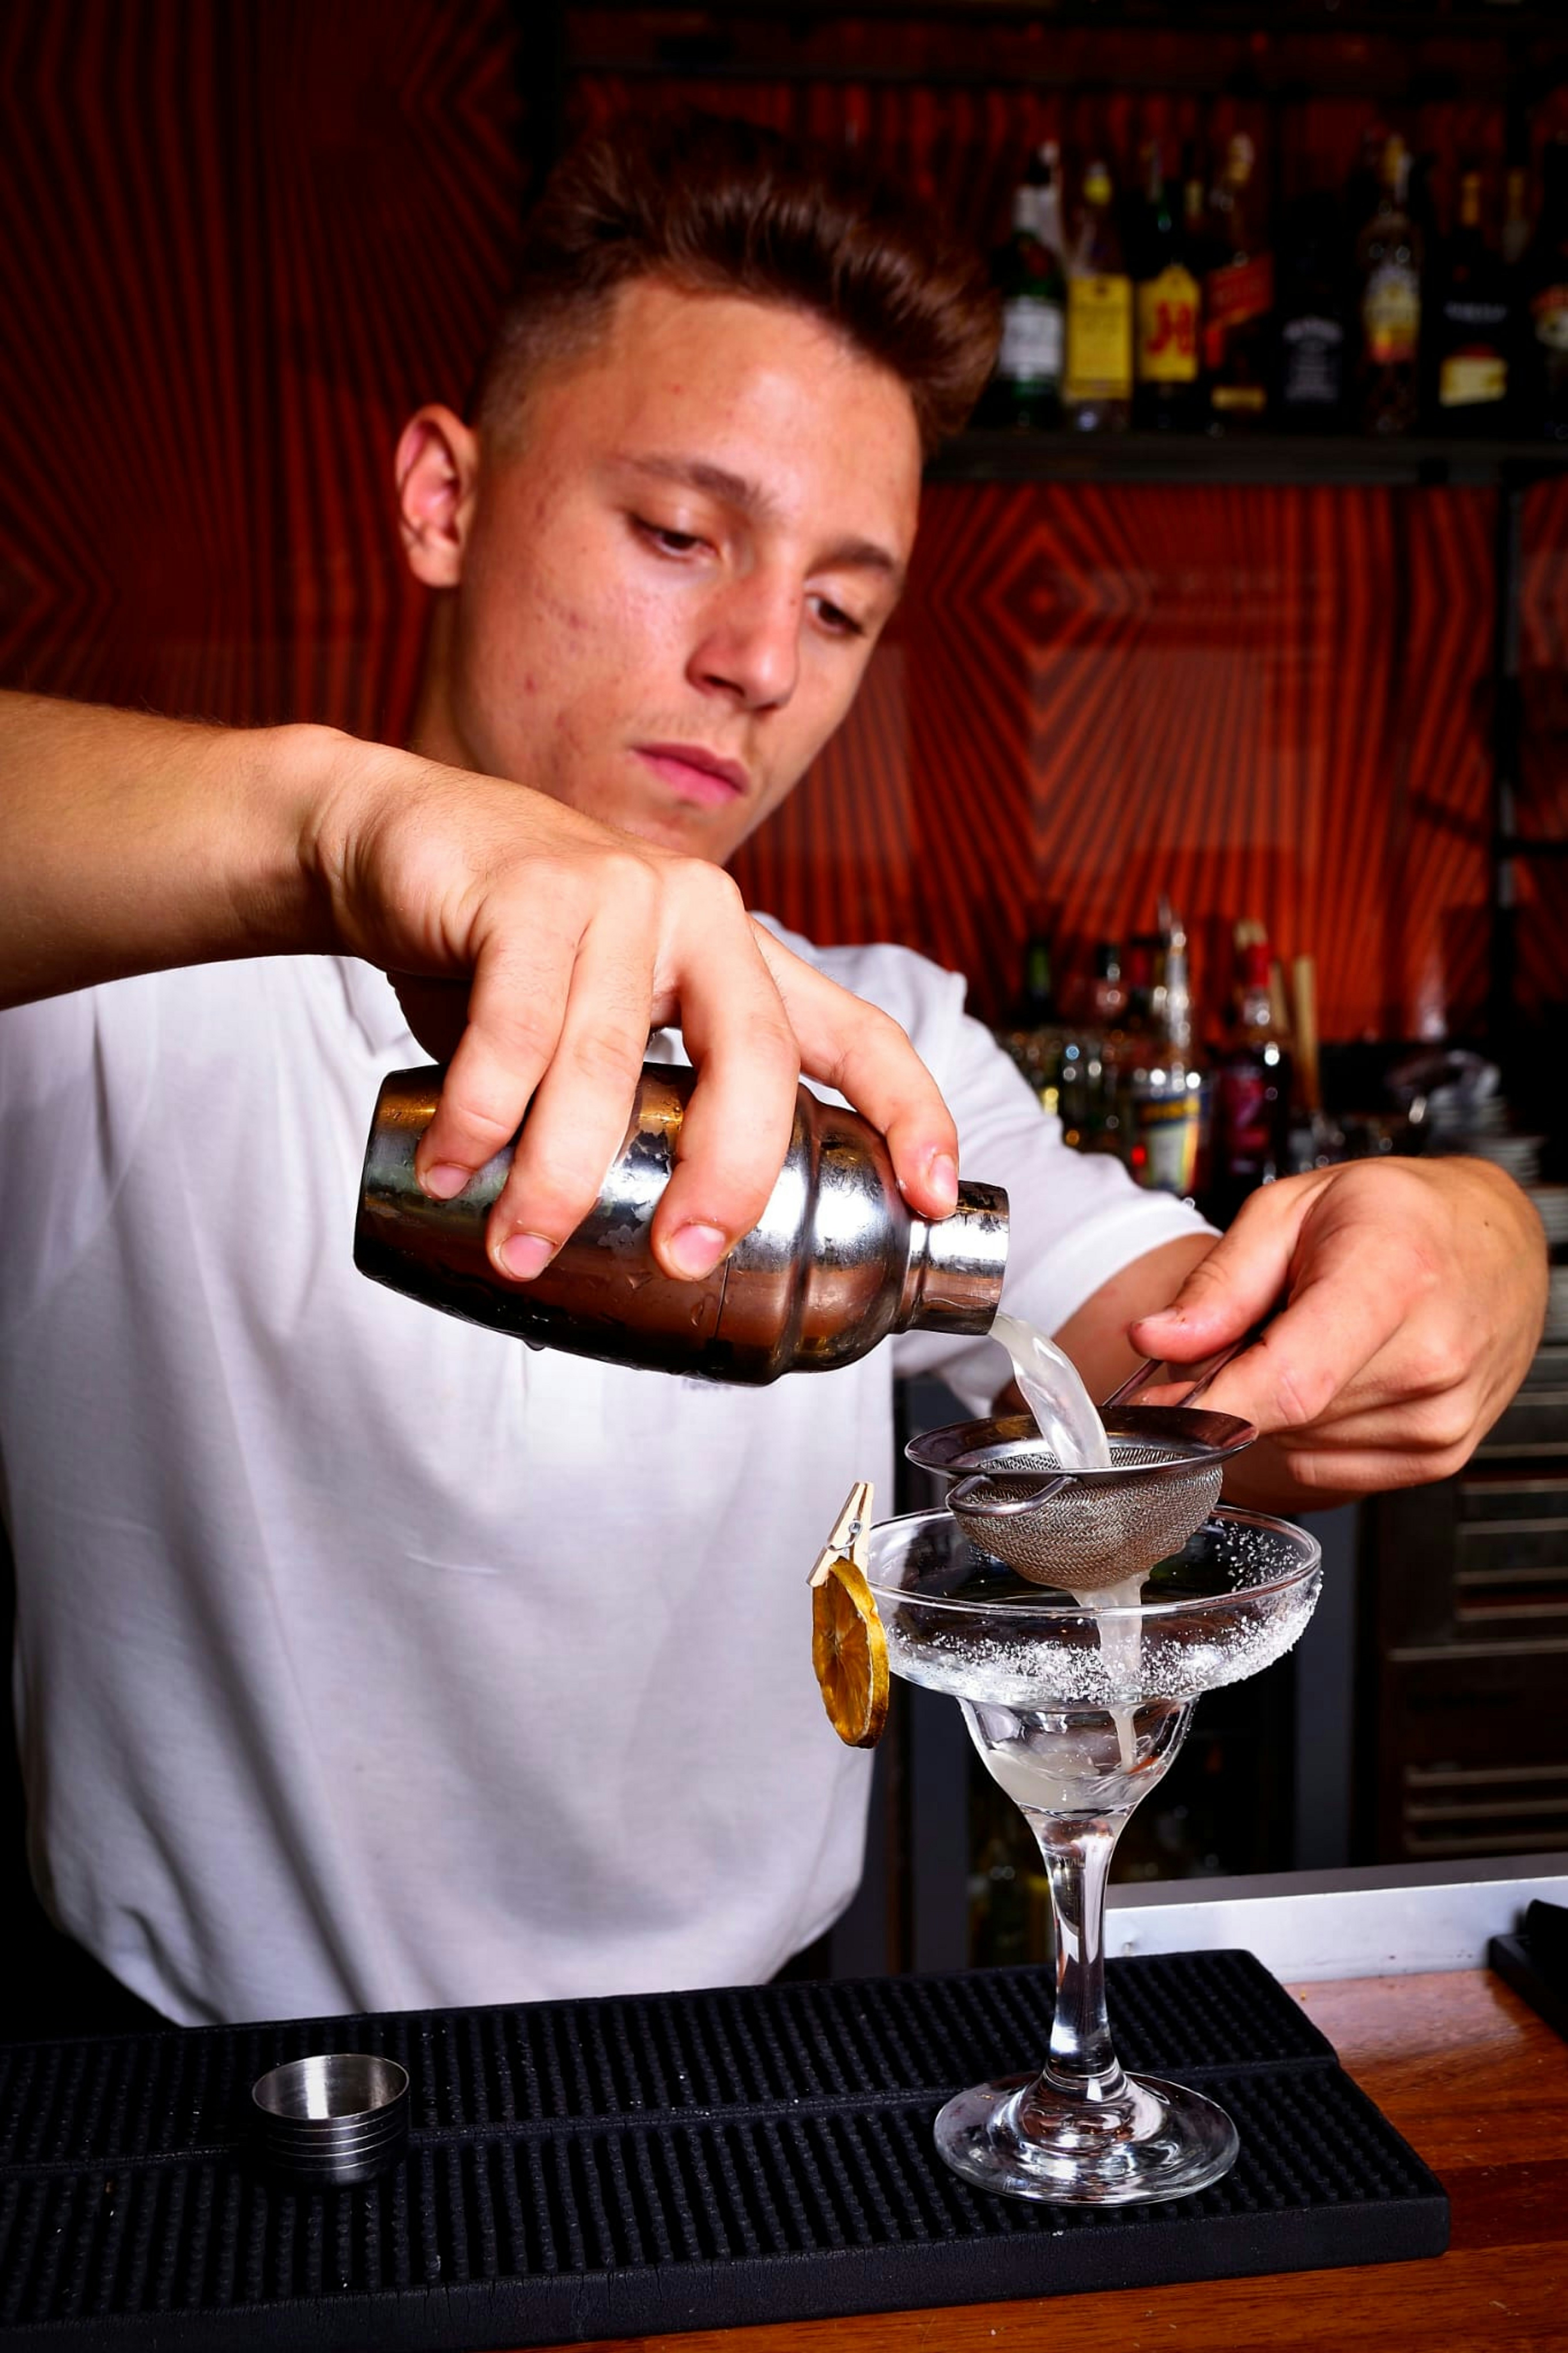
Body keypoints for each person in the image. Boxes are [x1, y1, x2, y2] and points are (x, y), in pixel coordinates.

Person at [0, 117, 1546, 2028]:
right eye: (677, 535)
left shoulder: (882, 1045)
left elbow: (1214, 1390)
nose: (756, 661)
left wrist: (1468, 1237)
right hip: (207, 2095)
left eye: (838, 606)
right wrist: (336, 824)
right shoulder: (121, 993)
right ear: (442, 500)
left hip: (752, 2057)